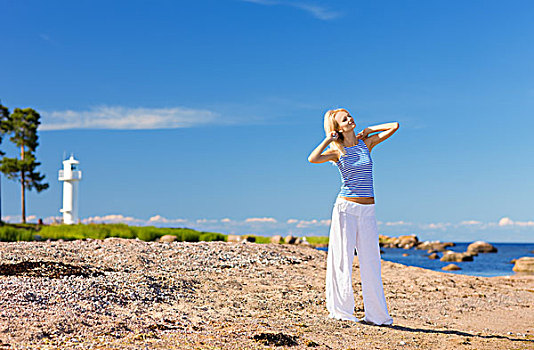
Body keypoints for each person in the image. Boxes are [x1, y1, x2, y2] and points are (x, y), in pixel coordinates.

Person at [307, 108, 399, 325]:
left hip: (368, 210)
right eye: (344, 119)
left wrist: (369, 130)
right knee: (342, 260)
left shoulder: (365, 144)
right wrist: (328, 139)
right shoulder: (337, 151)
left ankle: (376, 316)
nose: (350, 119)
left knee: (371, 261)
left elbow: (394, 126)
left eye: (350, 116)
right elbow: (313, 158)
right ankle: (342, 311)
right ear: (338, 127)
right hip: (346, 209)